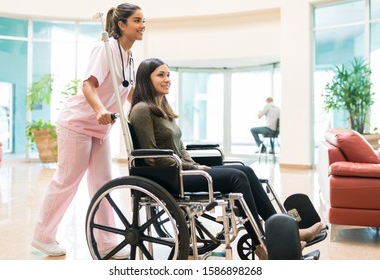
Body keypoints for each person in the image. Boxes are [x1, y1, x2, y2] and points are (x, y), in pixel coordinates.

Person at [128, 58, 323, 260]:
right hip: (170, 177)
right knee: (236, 178)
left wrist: (193, 165)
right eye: (160, 75)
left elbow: (180, 148)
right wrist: (191, 168)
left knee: (245, 170)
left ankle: (285, 232)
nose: (167, 79)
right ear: (145, 79)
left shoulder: (162, 109)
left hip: (181, 170)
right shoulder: (142, 110)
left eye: (168, 74)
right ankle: (262, 244)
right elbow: (152, 158)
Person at [31, 3, 145, 259]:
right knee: (67, 180)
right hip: (78, 123)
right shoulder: (104, 49)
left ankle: (106, 242)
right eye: (137, 20)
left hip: (101, 130)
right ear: (121, 25)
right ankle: (42, 236)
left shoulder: (129, 57)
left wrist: (147, 111)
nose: (142, 25)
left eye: (143, 20)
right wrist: (99, 110)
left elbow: (128, 93)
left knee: (103, 183)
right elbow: (88, 86)